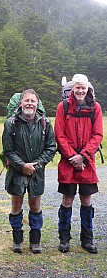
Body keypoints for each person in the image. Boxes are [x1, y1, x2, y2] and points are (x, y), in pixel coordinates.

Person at [2, 89, 56, 254]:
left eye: (33, 101)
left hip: (36, 172)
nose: (30, 104)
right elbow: (8, 150)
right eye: (27, 100)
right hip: (16, 171)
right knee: (16, 205)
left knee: (35, 205)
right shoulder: (11, 123)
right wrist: (22, 166)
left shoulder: (45, 124)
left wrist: (35, 166)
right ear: (21, 103)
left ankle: (35, 241)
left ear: (37, 104)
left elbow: (51, 148)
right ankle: (17, 240)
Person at [55, 74, 103, 254]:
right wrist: (73, 157)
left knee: (86, 200)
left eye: (83, 88)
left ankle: (87, 238)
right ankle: (64, 239)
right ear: (72, 89)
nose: (80, 91)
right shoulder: (63, 107)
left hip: (87, 160)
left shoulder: (95, 108)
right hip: (68, 161)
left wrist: (82, 156)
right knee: (67, 200)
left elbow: (97, 135)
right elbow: (59, 135)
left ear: (88, 88)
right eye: (77, 88)